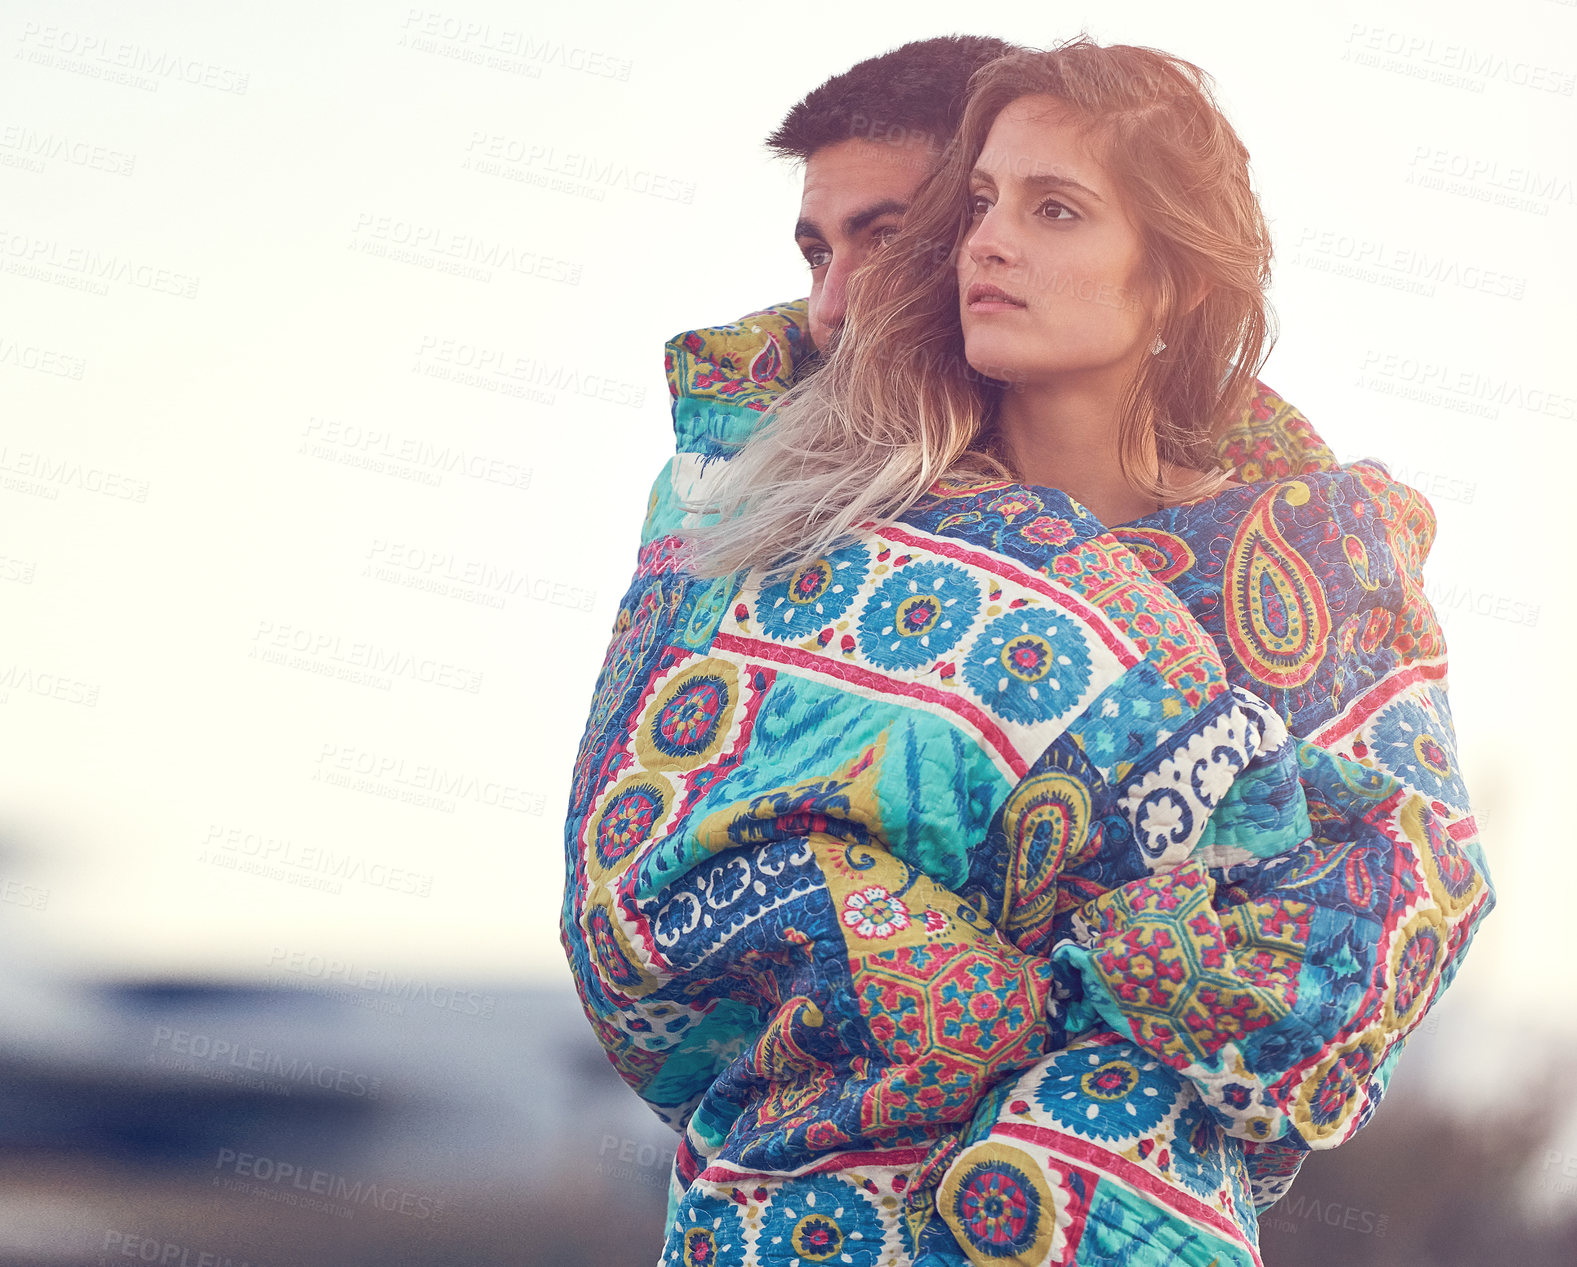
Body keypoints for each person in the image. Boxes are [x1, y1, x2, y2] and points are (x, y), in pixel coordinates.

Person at [563, 37, 1492, 1266]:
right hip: (799, 1213)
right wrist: (990, 995)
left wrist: (1110, 988)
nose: (985, 247)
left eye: (1046, 210)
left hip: (1131, 1205)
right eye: (983, 207)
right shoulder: (794, 519)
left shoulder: (1312, 565)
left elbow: (1400, 900)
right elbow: (640, 894)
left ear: (1167, 277)